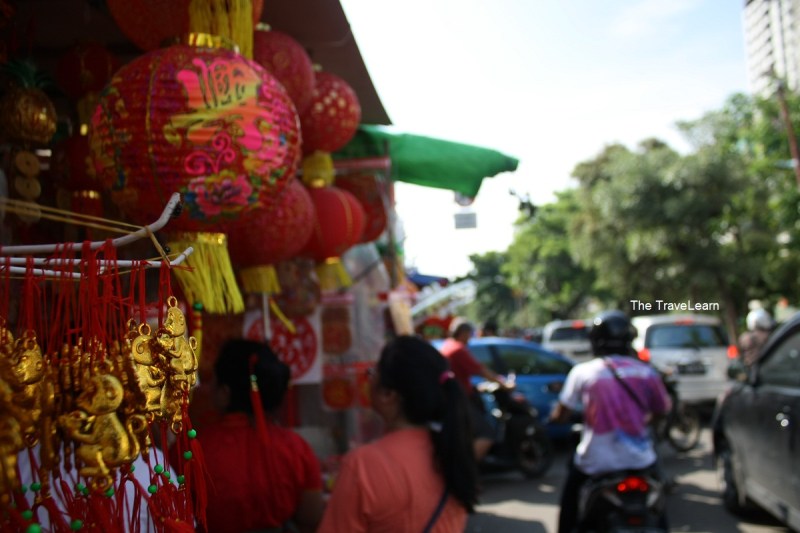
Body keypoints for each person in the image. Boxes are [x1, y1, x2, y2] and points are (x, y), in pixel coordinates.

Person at [317, 335, 479, 532]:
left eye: (372, 372)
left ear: (388, 394)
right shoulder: (452, 449)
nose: (368, 379)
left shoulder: (363, 465)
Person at [550, 310, 671, 533]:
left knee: (570, 505)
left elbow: (561, 414)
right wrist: (646, 421)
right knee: (660, 507)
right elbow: (663, 409)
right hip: (640, 460)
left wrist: (554, 419)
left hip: (595, 463)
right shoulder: (647, 373)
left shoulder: (583, 372)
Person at [197, 339, 325, 533]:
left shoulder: (193, 450)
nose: (207, 388)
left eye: (212, 380)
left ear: (224, 393)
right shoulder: (296, 448)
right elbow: (311, 517)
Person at [439, 318, 511, 460]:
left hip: (453, 398)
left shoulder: (447, 345)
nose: (470, 338)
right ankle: (467, 470)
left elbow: (459, 375)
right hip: (459, 401)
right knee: (486, 434)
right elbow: (481, 370)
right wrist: (504, 384)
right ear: (464, 333)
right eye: (469, 334)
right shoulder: (458, 349)